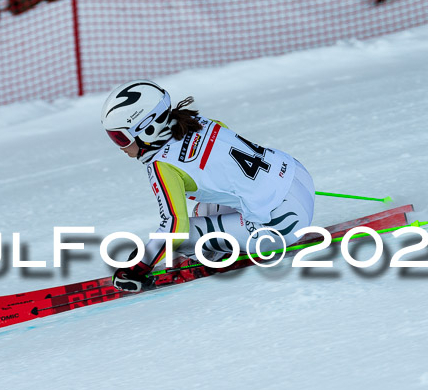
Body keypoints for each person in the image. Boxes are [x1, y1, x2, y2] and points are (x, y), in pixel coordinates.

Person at [101, 80, 316, 292]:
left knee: (183, 237)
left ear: (147, 129)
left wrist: (139, 266)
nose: (120, 147)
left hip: (282, 225)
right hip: (298, 178)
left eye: (120, 137)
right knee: (204, 209)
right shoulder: (196, 121)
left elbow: (175, 226)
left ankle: (204, 259)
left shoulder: (161, 165)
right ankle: (219, 247)